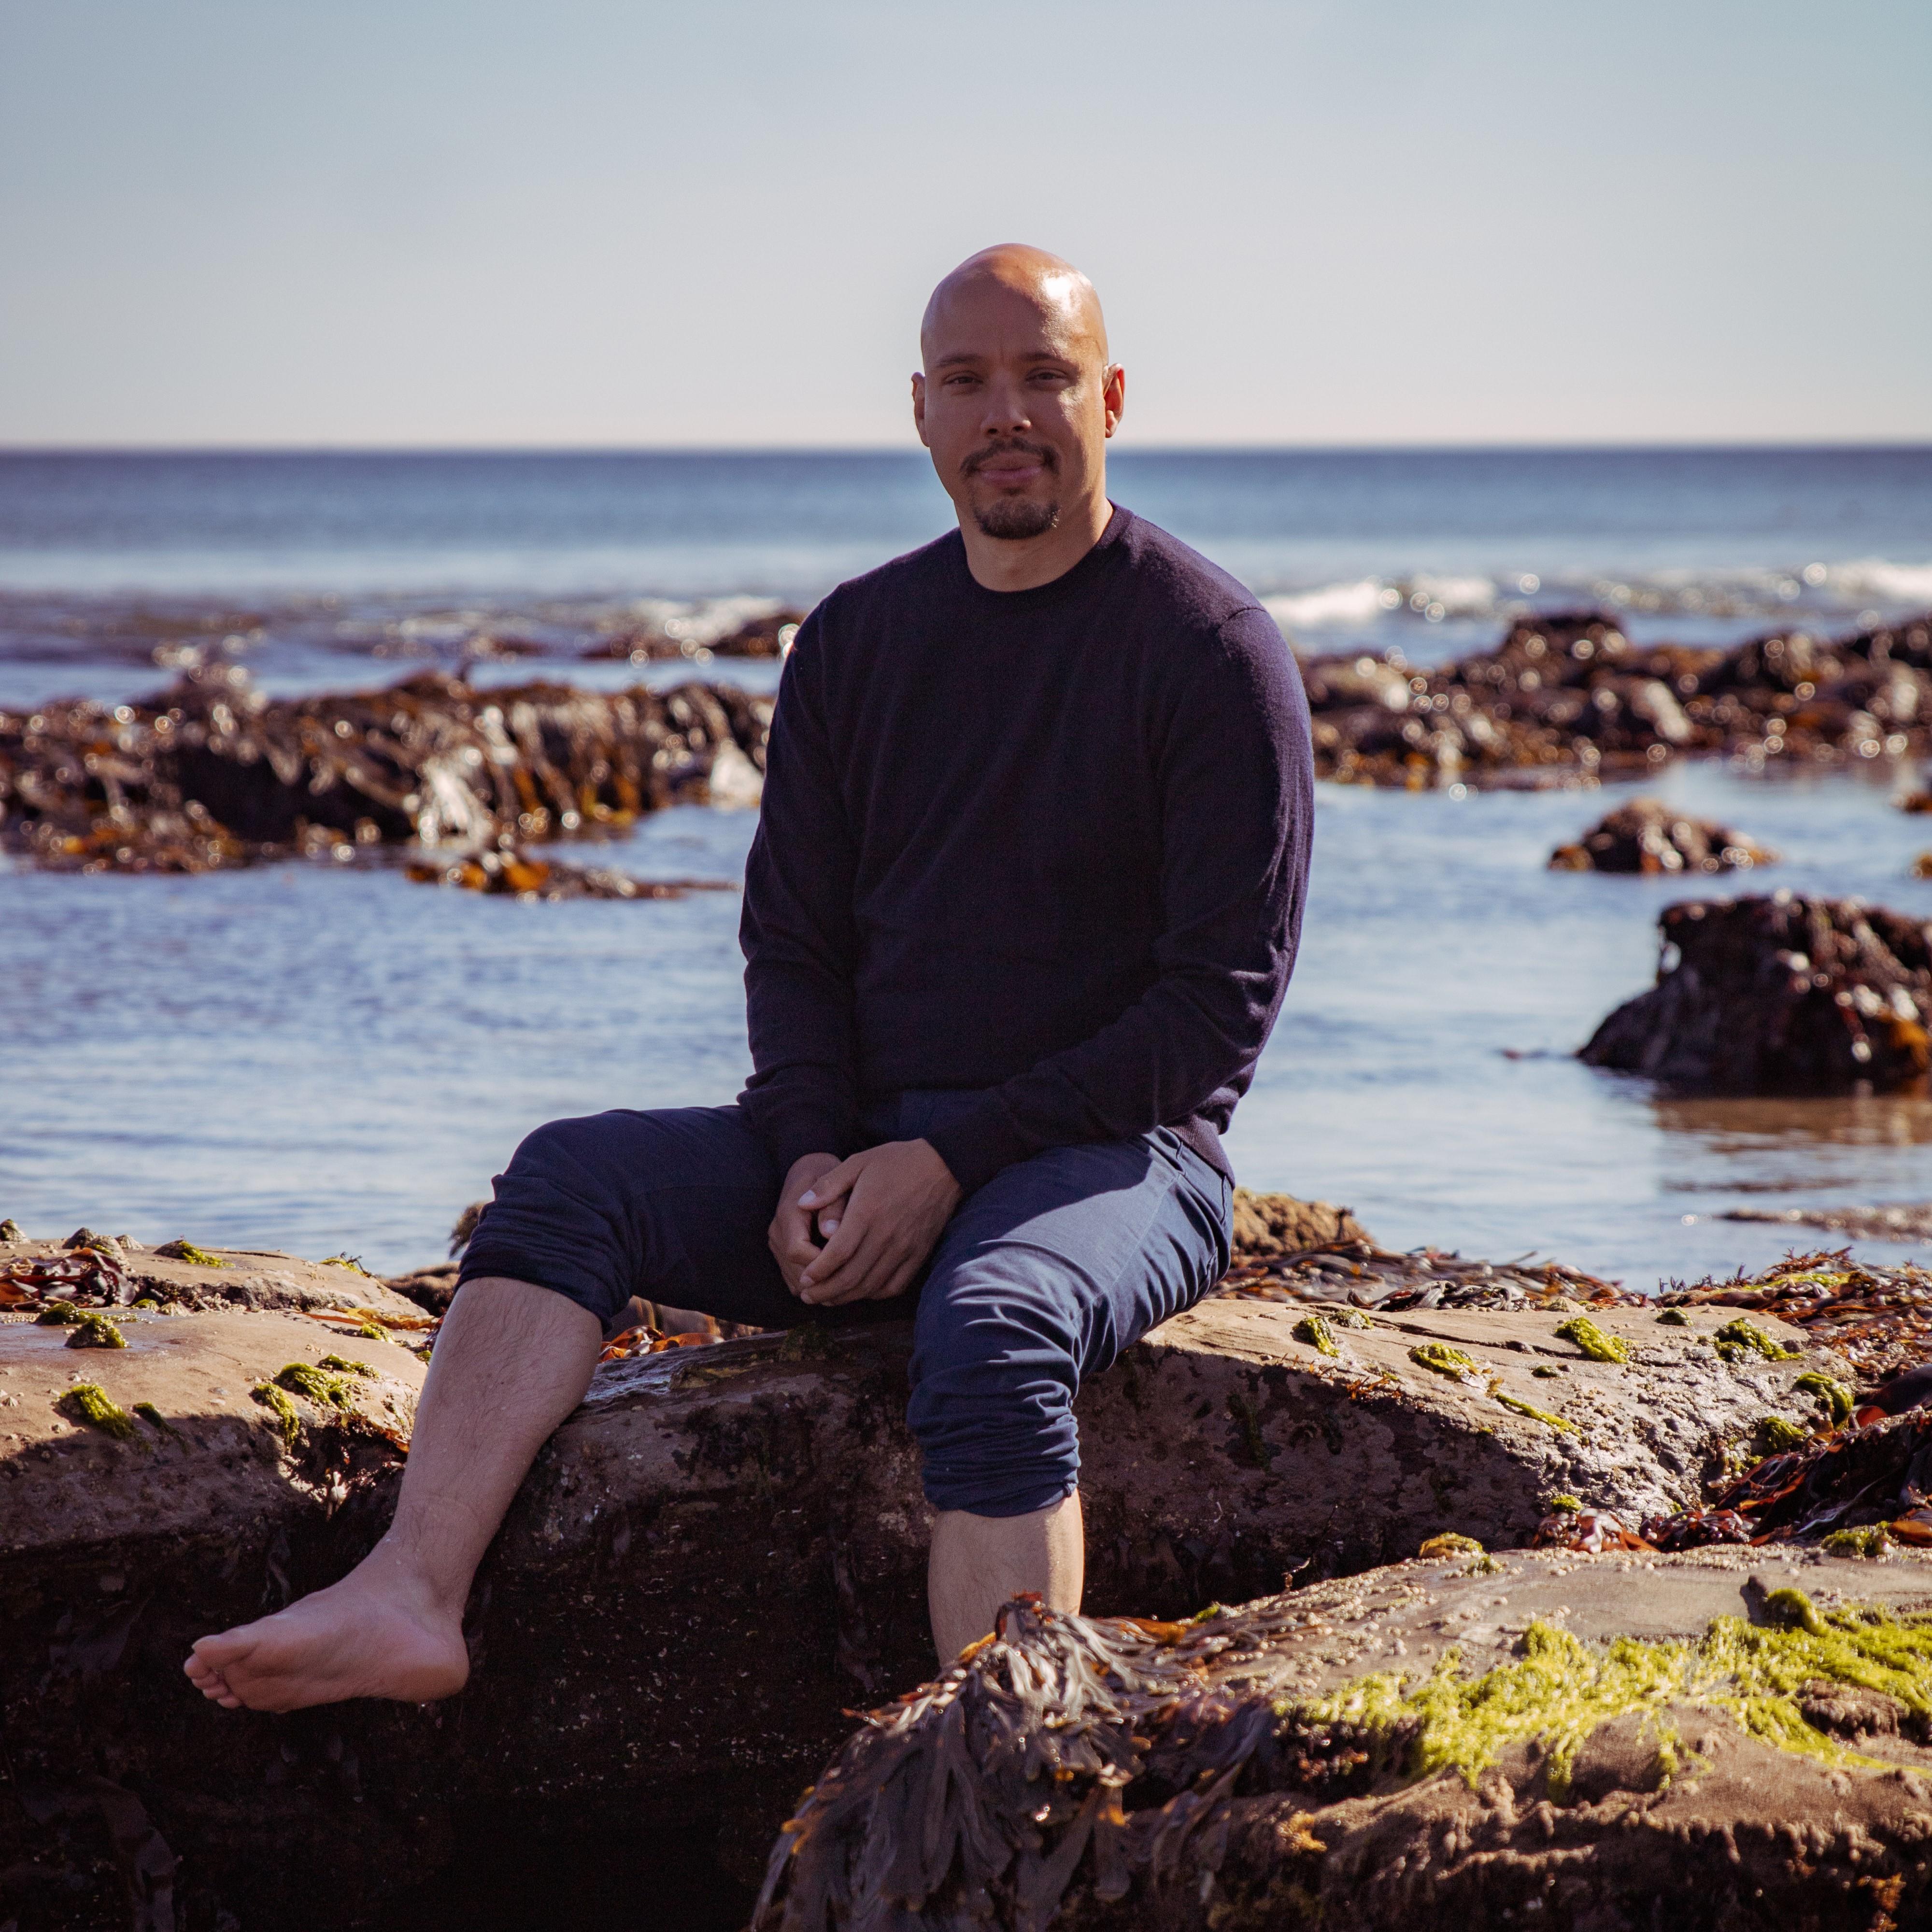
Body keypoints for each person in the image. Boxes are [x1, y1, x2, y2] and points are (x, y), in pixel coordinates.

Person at [185, 243, 1314, 1713]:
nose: (1009, 414)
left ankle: (999, 1760)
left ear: (1110, 397)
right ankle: (410, 1594)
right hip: (866, 1146)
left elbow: (1213, 1014)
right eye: (969, 382)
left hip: (1122, 1160)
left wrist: (944, 1162)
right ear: (920, 413)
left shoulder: (1210, 650)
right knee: (568, 1181)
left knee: (991, 1330)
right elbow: (793, 946)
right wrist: (808, 1155)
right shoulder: (858, 640)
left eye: (1045, 376)